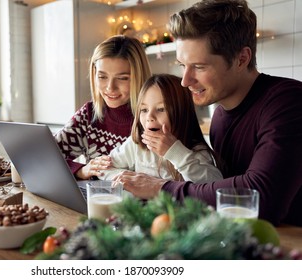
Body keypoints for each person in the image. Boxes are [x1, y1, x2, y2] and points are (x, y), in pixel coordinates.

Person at [112, 0, 302, 226]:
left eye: (199, 67)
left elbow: (262, 196)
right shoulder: (220, 117)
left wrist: (159, 187)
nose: (185, 80)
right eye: (183, 65)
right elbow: (219, 186)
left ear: (242, 59)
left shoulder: (289, 101)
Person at [55, 35, 152, 180]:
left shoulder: (153, 118)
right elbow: (47, 156)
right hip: (94, 201)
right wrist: (81, 170)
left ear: (139, 76)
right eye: (102, 76)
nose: (110, 87)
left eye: (122, 78)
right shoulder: (89, 114)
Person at [99, 74, 222, 184]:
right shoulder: (137, 145)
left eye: (161, 109)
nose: (149, 117)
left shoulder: (196, 151)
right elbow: (103, 169)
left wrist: (175, 152)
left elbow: (214, 185)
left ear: (182, 114)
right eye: (144, 110)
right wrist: (129, 179)